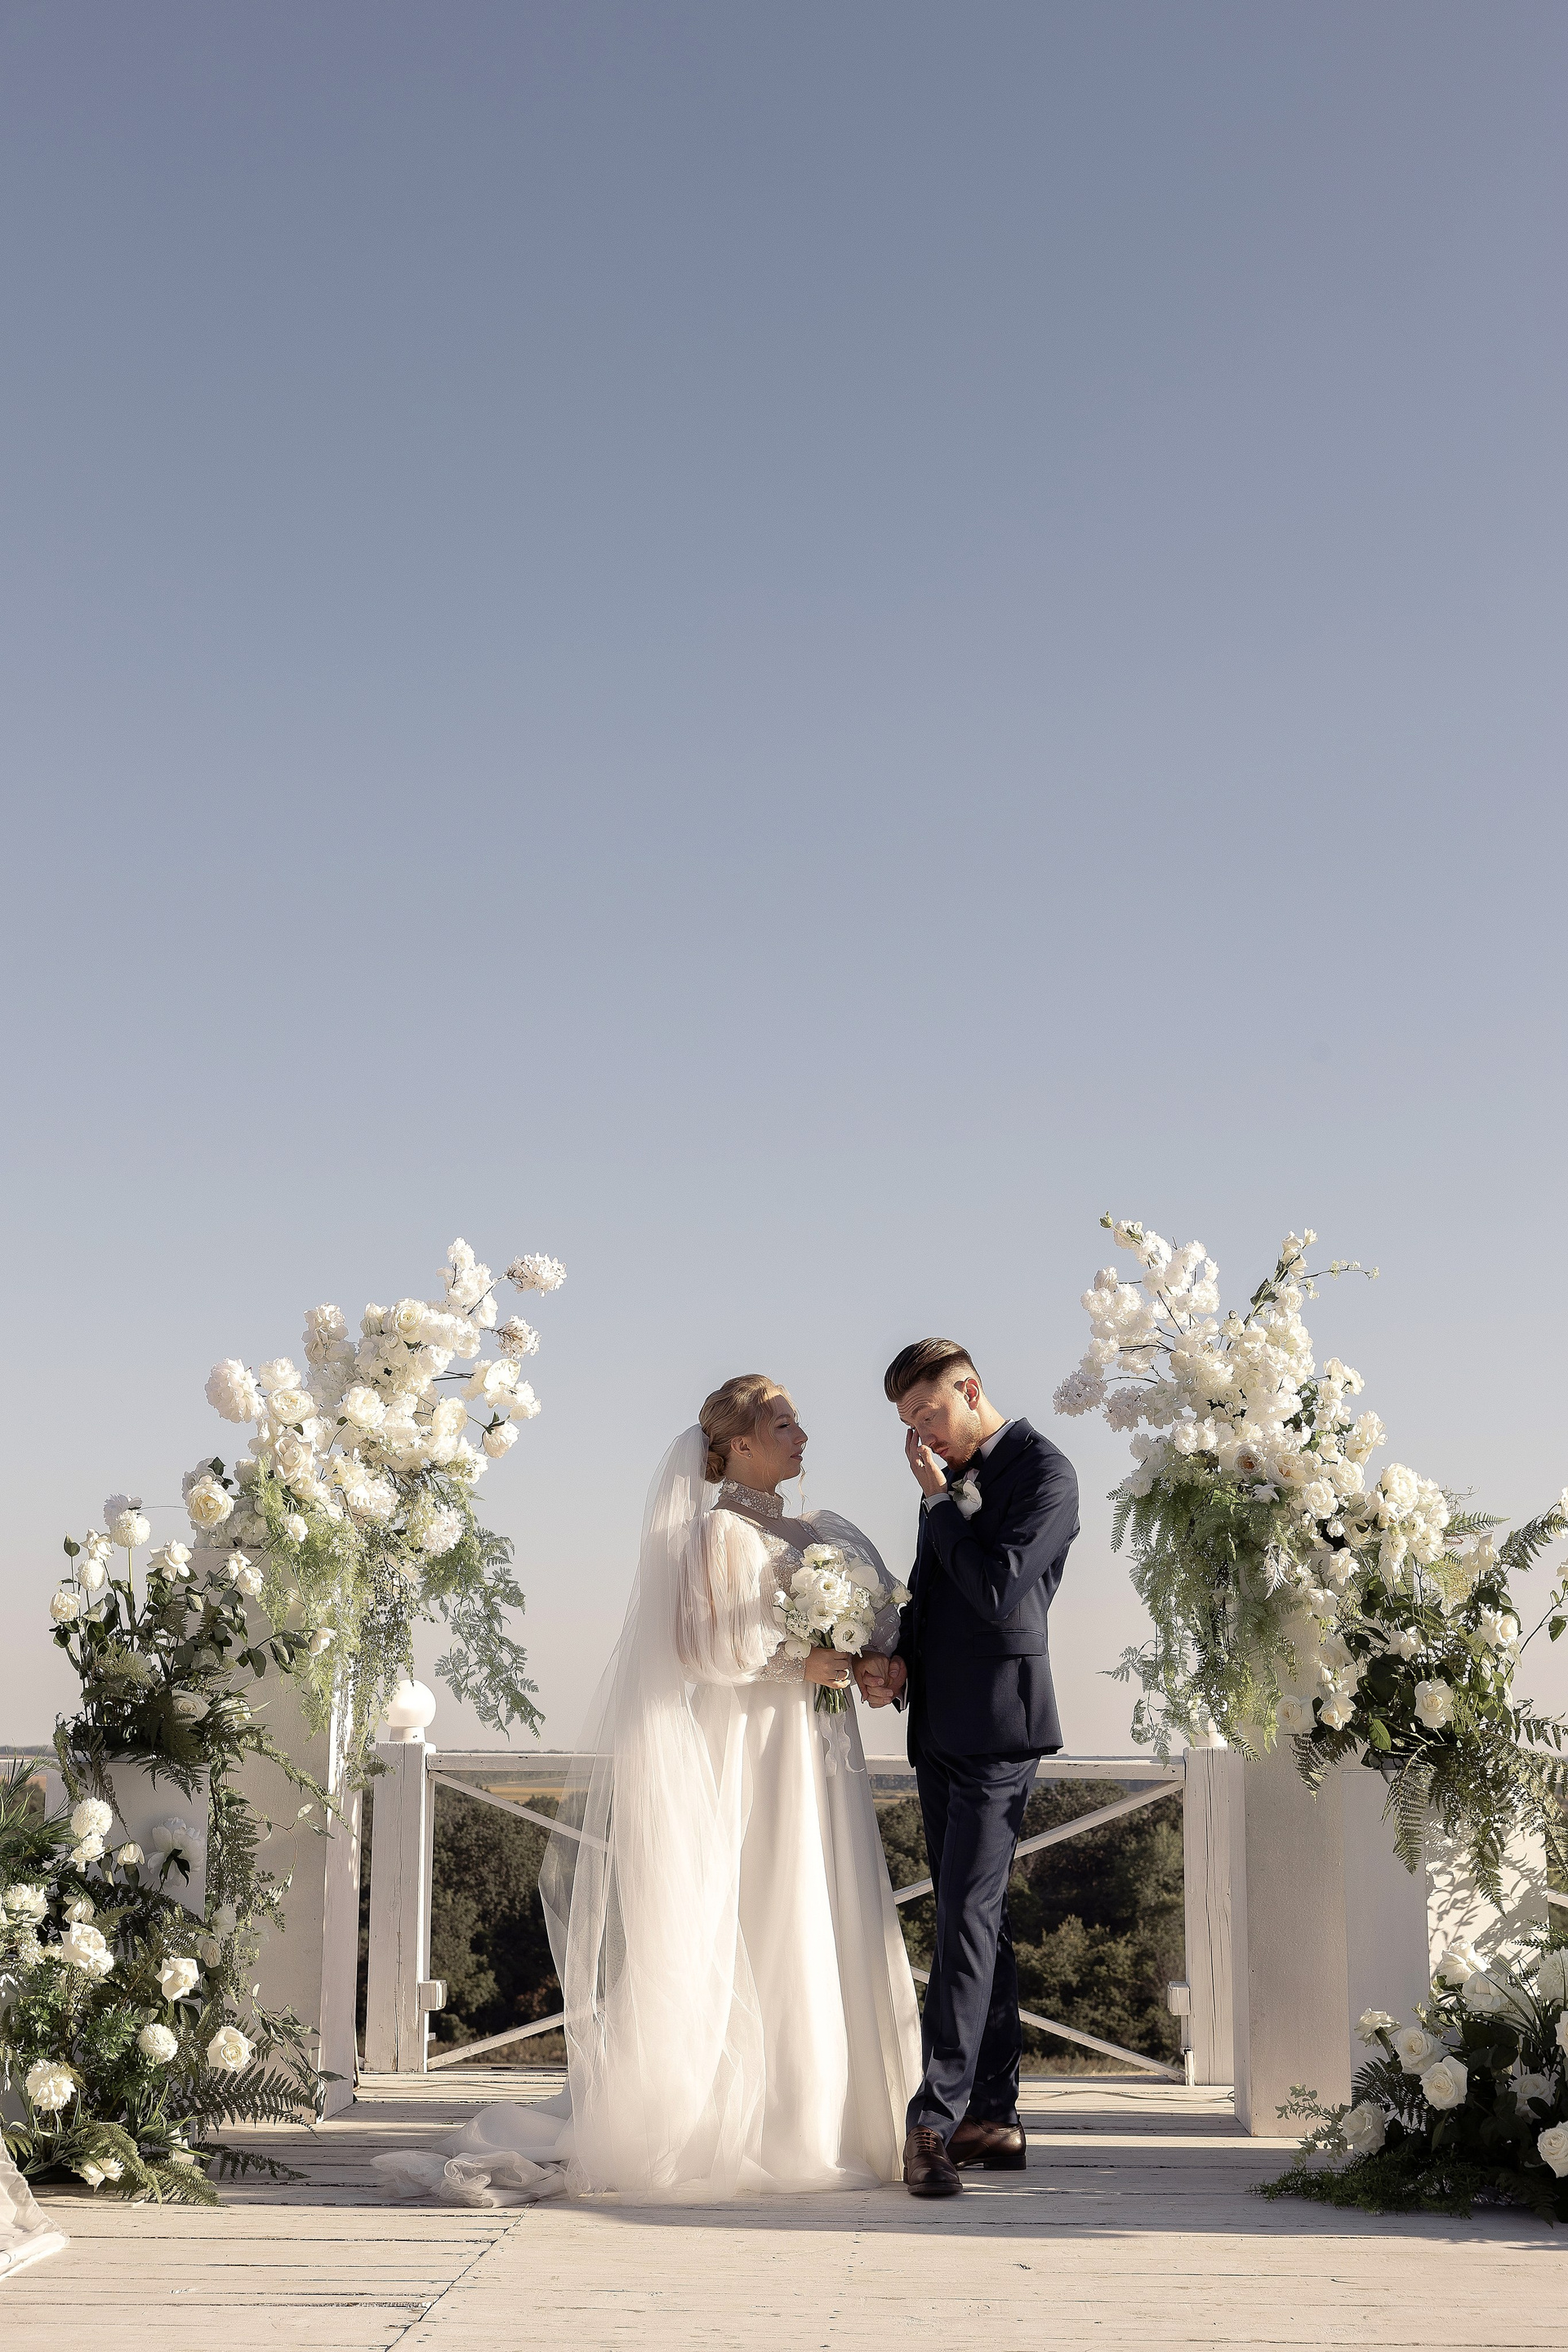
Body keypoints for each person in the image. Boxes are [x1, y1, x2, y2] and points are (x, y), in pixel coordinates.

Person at [376, 1377, 922, 2207]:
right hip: (755, 1745)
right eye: (783, 1423)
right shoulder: (718, 1534)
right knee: (760, 1895)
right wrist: (797, 1661)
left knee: (824, 1892)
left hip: (820, 1743)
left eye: (798, 1422)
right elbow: (700, 1649)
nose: (802, 1435)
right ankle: (758, 2120)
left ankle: (843, 2115)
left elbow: (882, 1622)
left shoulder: (827, 1532)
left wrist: (872, 1659)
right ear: (739, 1443)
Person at [857, 1339, 1079, 2199]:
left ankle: (933, 2124)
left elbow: (997, 1591)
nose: (921, 1435)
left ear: (971, 1390)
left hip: (999, 1729)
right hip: (939, 1726)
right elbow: (934, 1593)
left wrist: (938, 1502)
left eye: (929, 1413)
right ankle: (994, 2116)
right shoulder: (948, 1483)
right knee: (977, 1920)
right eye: (907, 1422)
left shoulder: (1045, 1473)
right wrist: (898, 1663)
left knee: (964, 1923)